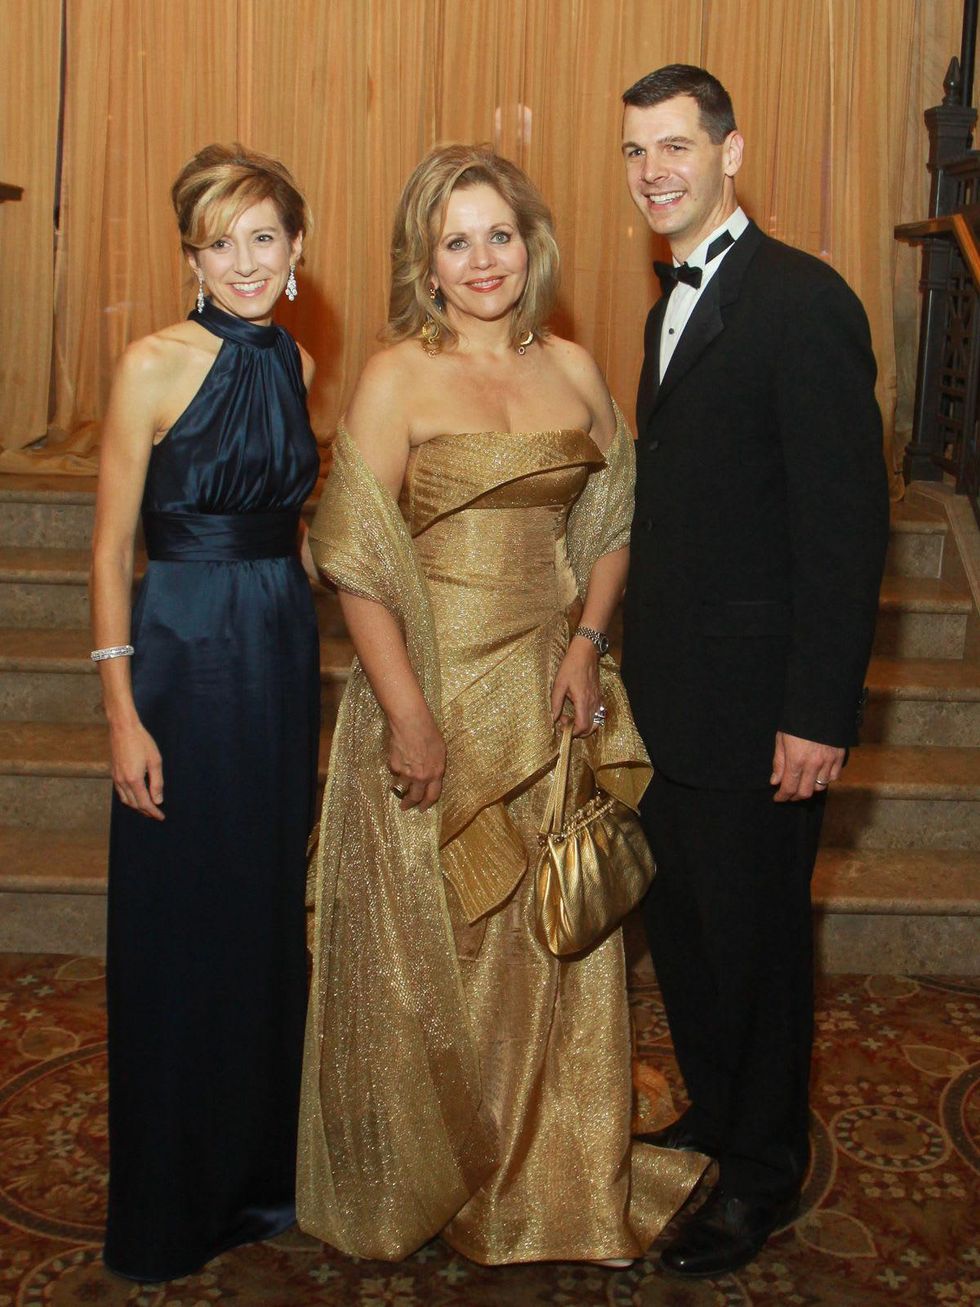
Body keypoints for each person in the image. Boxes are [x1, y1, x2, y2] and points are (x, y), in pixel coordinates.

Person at [297, 144, 705, 1266]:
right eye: (456, 239)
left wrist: (585, 641)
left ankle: (549, 1181)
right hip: (427, 689)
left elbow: (613, 516)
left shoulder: (573, 369)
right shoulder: (394, 377)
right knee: (435, 952)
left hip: (548, 689)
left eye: (500, 234)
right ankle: (434, 1170)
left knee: (549, 945)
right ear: (425, 264)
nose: (483, 259)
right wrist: (408, 716)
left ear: (532, 245)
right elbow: (355, 559)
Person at [618, 65, 889, 1277]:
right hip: (674, 703)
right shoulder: (660, 302)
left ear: (732, 150)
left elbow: (844, 532)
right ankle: (719, 1116)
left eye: (674, 145)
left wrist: (815, 714)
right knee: (684, 934)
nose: (653, 171)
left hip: (761, 712)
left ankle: (763, 1175)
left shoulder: (802, 300)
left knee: (760, 950)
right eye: (634, 152)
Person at [90, 143, 320, 1282]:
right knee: (181, 926)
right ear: (190, 253)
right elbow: (105, 549)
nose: (243, 260)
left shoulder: (305, 361)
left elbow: (299, 525)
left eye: (262, 237)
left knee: (265, 916)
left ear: (295, 250)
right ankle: (172, 1198)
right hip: (180, 655)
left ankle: (255, 1179)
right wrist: (122, 712)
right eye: (219, 240)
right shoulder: (150, 364)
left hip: (279, 653)